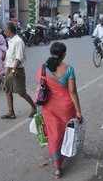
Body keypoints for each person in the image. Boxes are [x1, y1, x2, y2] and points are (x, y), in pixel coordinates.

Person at [36, 42, 82, 179]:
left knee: (54, 135)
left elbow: (40, 88)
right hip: (66, 108)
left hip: (48, 107)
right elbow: (72, 92)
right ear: (64, 54)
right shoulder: (69, 69)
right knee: (65, 134)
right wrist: (78, 111)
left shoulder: (42, 69)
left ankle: (57, 167)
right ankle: (64, 154)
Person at [1, 22, 36, 119]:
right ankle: (11, 112)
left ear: (9, 31)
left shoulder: (18, 41)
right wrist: (6, 70)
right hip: (9, 68)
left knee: (21, 92)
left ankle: (34, 107)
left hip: (17, 69)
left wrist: (13, 70)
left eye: (5, 30)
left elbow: (19, 58)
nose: (4, 32)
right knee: (7, 90)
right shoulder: (10, 41)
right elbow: (9, 58)